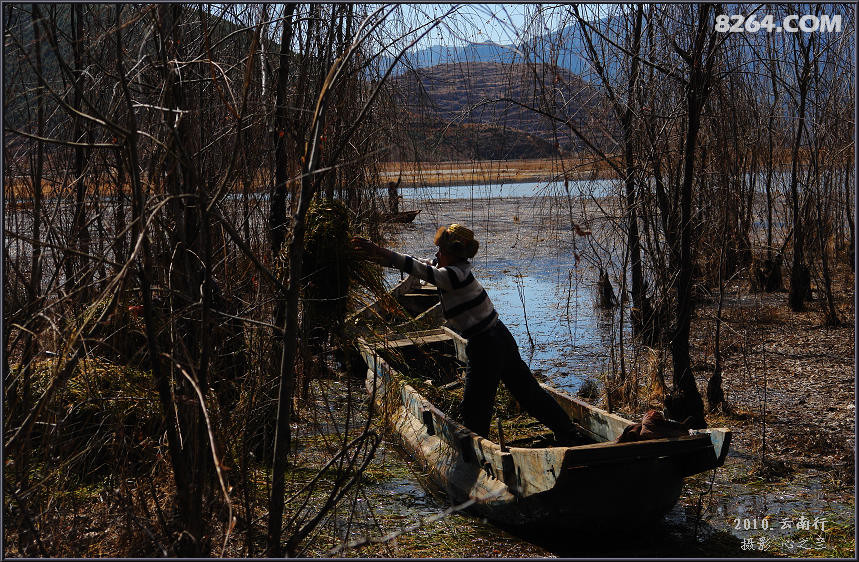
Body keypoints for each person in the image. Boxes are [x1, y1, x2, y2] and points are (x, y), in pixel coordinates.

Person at [352, 223, 579, 444]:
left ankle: (479, 455)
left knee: (475, 408)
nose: (437, 254)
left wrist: (382, 252)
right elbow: (421, 263)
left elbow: (422, 270)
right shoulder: (455, 269)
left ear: (453, 254)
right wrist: (378, 256)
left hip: (485, 345)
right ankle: (567, 430)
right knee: (527, 392)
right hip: (500, 336)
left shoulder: (453, 276)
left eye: (441, 250)